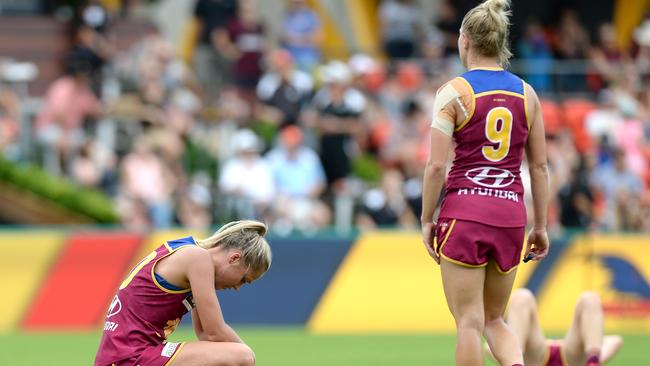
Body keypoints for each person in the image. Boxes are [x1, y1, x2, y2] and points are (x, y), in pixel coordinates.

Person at [419, 1, 550, 365]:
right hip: (510, 213)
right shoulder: (527, 95)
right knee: (496, 319)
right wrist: (540, 225)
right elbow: (539, 167)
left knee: (469, 322)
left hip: (466, 211)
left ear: (464, 40)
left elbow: (435, 166)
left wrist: (426, 218)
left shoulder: (453, 92)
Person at [95, 220, 272, 366]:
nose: (238, 287)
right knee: (243, 356)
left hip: (122, 356)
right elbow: (214, 332)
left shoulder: (189, 249)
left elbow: (204, 333)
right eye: (243, 279)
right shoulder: (198, 259)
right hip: (131, 357)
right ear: (234, 258)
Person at [485, 289, 624, 366]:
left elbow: (488, 346)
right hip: (558, 359)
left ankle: (515, 361)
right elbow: (615, 340)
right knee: (521, 298)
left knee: (590, 299)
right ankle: (593, 362)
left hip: (542, 360)